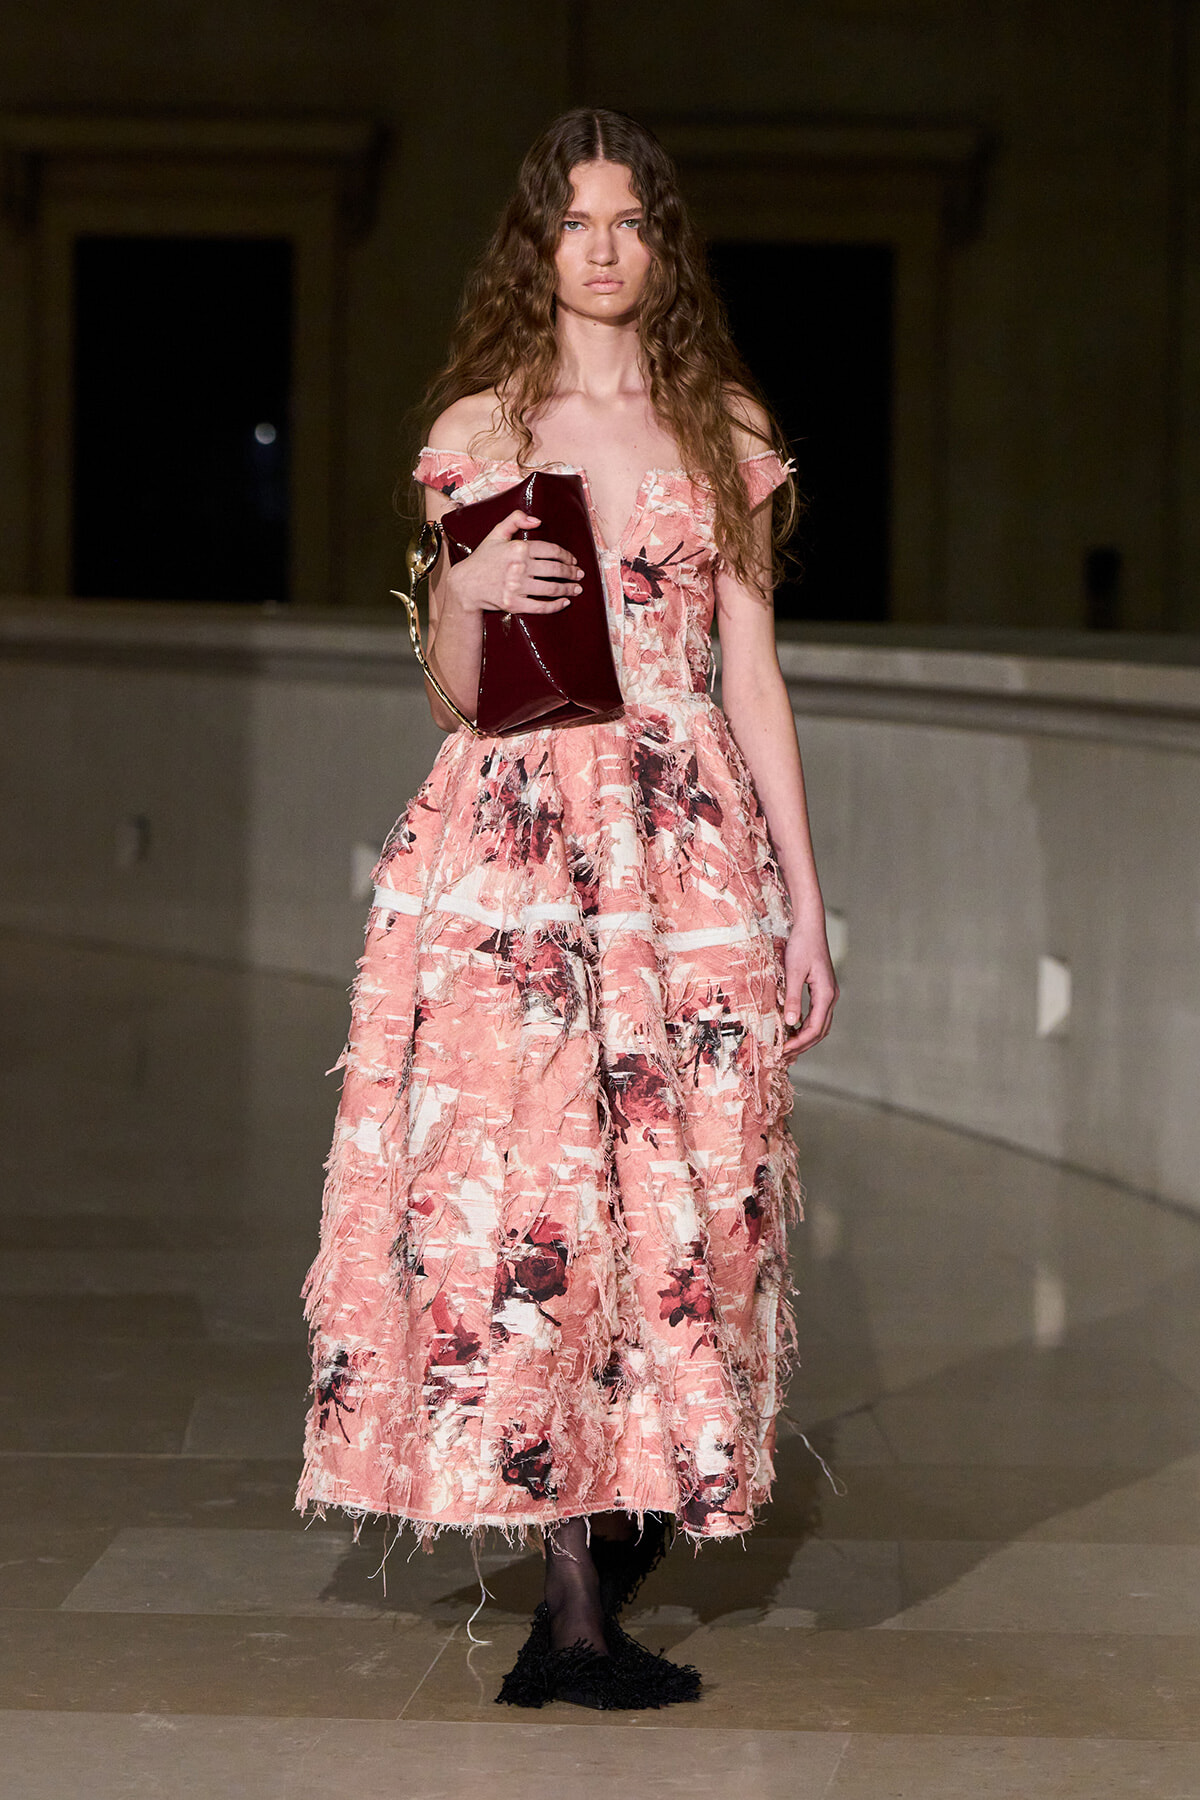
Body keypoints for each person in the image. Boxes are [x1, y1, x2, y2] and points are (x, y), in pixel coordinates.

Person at [296, 107, 838, 1711]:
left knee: (706, 1190)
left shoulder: (715, 421)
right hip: (522, 849)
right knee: (542, 1201)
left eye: (630, 222)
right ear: (537, 245)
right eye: (575, 222)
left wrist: (809, 900)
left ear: (661, 247)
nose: (602, 249)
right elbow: (468, 698)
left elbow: (753, 668)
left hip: (688, 848)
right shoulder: (485, 423)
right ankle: (573, 1611)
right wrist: (461, 593)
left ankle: (635, 1488)